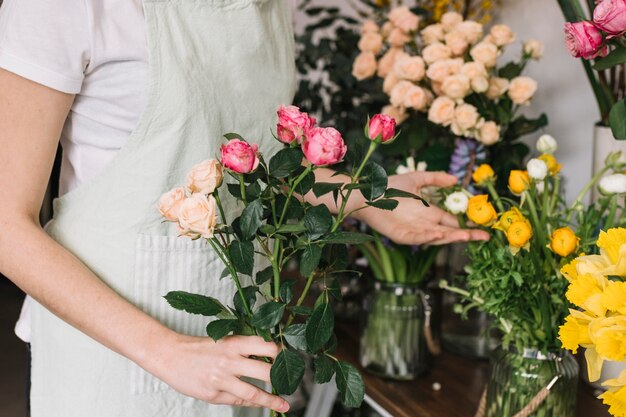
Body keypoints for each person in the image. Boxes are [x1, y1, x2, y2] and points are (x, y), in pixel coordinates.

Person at [0, 0, 489, 416]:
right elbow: (6, 225)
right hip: (113, 359)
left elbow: (254, 162)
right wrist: (169, 352)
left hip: (240, 340)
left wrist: (367, 198)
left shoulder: (268, 8)